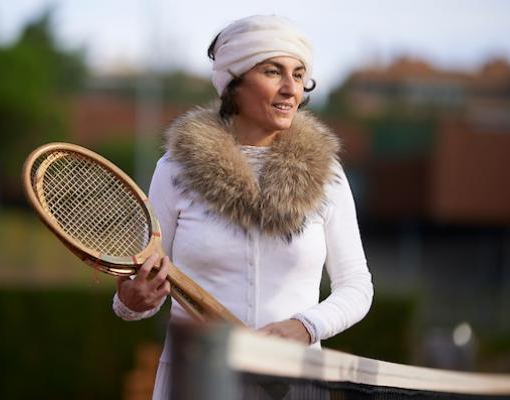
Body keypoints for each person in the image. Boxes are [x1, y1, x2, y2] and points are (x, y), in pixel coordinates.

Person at [113, 15, 373, 399]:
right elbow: (143, 287)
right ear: (234, 80)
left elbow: (356, 286)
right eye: (273, 71)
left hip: (295, 381)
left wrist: (305, 327)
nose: (290, 89)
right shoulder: (174, 169)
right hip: (197, 381)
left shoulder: (328, 175)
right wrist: (130, 302)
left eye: (299, 75)